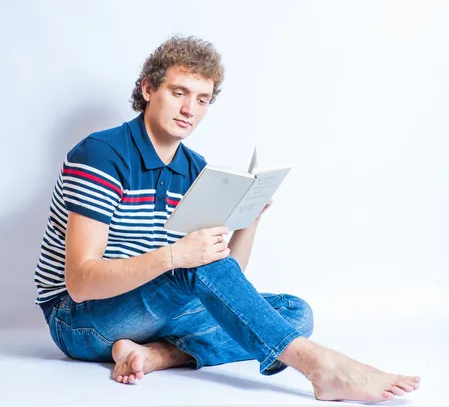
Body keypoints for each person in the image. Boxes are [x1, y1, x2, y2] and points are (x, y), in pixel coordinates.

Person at [34, 35, 420, 401]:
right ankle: (321, 367)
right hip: (79, 318)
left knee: (293, 313)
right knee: (198, 266)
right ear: (149, 89)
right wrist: (176, 257)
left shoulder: (194, 170)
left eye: (202, 99)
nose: (190, 110)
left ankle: (154, 355)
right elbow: (81, 282)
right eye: (179, 92)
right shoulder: (102, 154)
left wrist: (249, 216)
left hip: (152, 309)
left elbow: (225, 282)